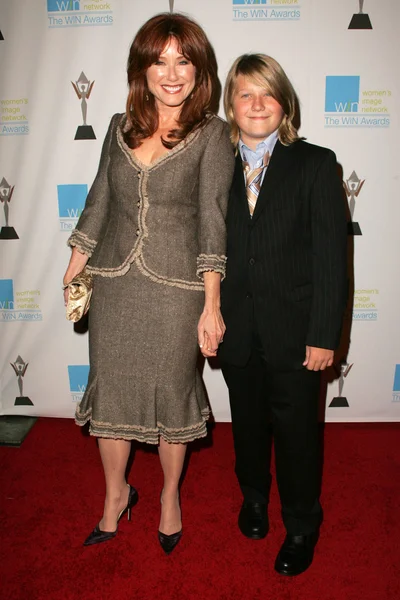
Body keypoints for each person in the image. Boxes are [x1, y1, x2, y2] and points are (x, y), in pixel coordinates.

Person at [63, 13, 234, 553]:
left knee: (170, 400)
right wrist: (76, 258)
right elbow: (99, 201)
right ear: (142, 67)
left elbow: (212, 217)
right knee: (110, 393)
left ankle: (168, 497)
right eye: (159, 60)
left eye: (183, 59)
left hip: (176, 289)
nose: (172, 72)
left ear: (199, 67)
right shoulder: (116, 125)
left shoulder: (213, 134)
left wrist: (212, 304)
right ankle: (116, 496)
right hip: (114, 282)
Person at [218, 54, 347, 576]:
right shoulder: (212, 164)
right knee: (246, 425)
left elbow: (331, 260)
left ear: (285, 104)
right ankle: (253, 499)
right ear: (231, 103)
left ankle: (300, 524)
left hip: (296, 333)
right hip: (234, 327)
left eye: (267, 94)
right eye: (245, 94)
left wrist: (323, 335)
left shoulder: (316, 163)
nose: (256, 104)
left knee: (297, 435)